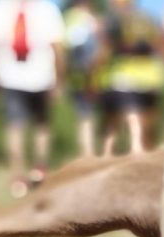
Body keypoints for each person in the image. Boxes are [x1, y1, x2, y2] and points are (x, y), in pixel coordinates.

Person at [0, 0, 67, 197]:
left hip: (13, 77)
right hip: (39, 77)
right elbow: (58, 49)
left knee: (15, 127)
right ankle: (39, 170)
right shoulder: (47, 9)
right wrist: (60, 80)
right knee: (41, 125)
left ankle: (18, 178)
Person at [98, 0, 164, 157]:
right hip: (150, 75)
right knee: (143, 117)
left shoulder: (113, 19)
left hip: (123, 74)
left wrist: (96, 70)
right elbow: (160, 45)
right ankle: (140, 149)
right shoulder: (149, 19)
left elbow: (105, 47)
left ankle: (123, 150)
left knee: (122, 116)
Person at [63, 0, 105, 158]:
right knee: (87, 114)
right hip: (93, 75)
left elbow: (65, 47)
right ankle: (89, 152)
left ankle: (88, 152)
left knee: (84, 114)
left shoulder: (69, 18)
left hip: (81, 75)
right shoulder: (94, 19)